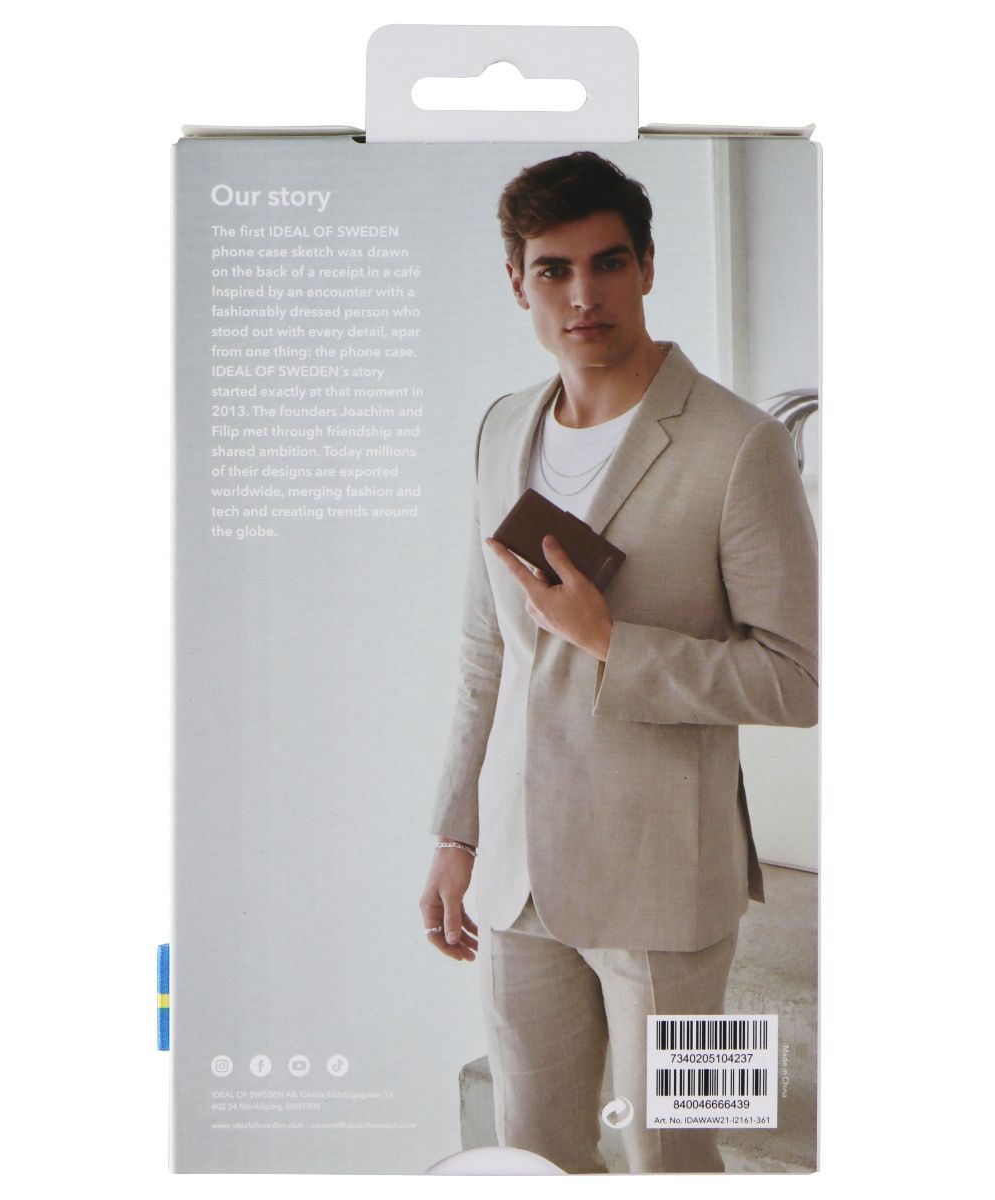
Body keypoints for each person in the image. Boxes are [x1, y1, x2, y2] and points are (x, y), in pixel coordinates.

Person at [419, 151, 818, 1174]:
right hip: (515, 881)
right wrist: (456, 832)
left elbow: (797, 679)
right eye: (553, 269)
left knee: (672, 1161)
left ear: (646, 266)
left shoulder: (740, 446)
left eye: (607, 263)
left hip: (667, 890)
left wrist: (611, 643)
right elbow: (483, 649)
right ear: (518, 282)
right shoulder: (500, 428)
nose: (582, 295)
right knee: (532, 1156)